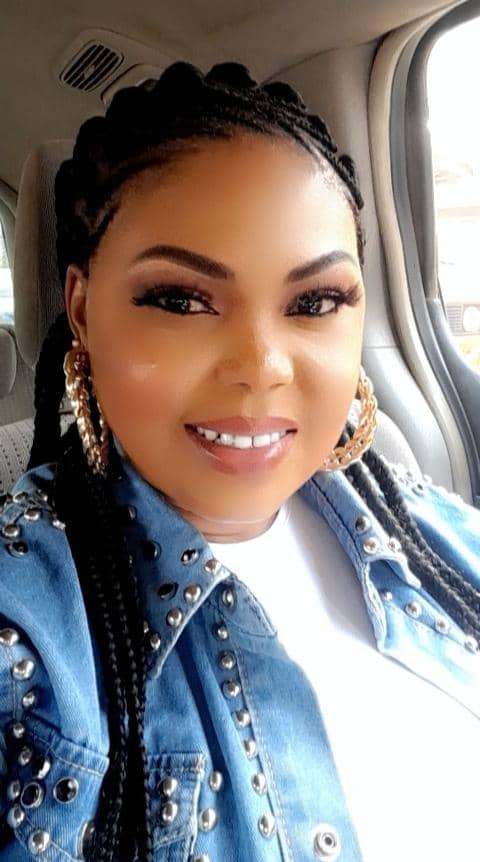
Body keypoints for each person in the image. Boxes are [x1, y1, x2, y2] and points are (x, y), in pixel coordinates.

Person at [1, 60, 480, 862]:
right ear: (82, 309)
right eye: (181, 300)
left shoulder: (426, 525)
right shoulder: (31, 623)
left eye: (314, 303)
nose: (262, 368)